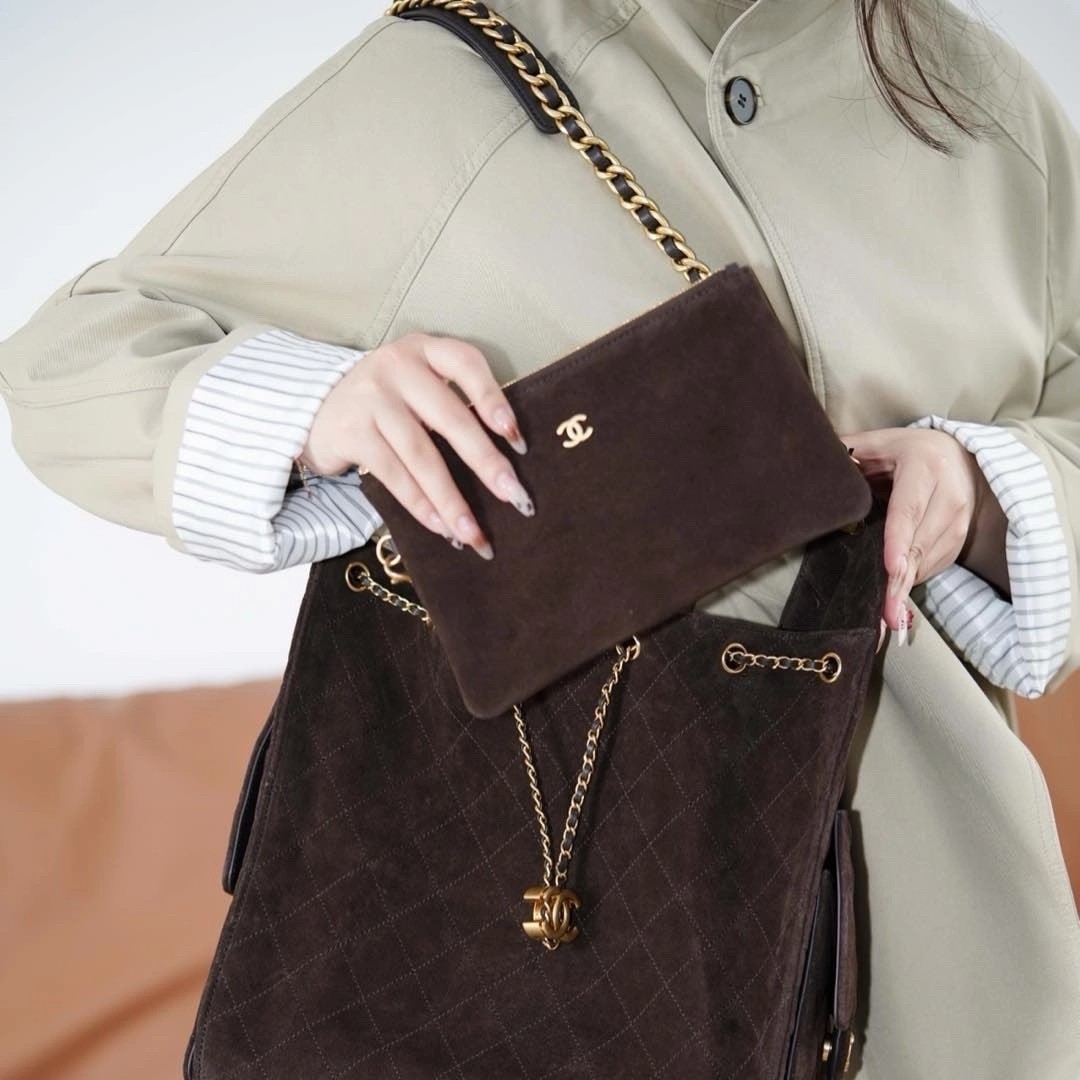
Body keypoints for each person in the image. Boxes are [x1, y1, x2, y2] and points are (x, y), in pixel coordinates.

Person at [2, 0, 1079, 1076]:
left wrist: (980, 485)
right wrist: (322, 405)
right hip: (515, 929)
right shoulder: (456, 77)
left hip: (945, 940)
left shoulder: (988, 109)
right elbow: (70, 360)